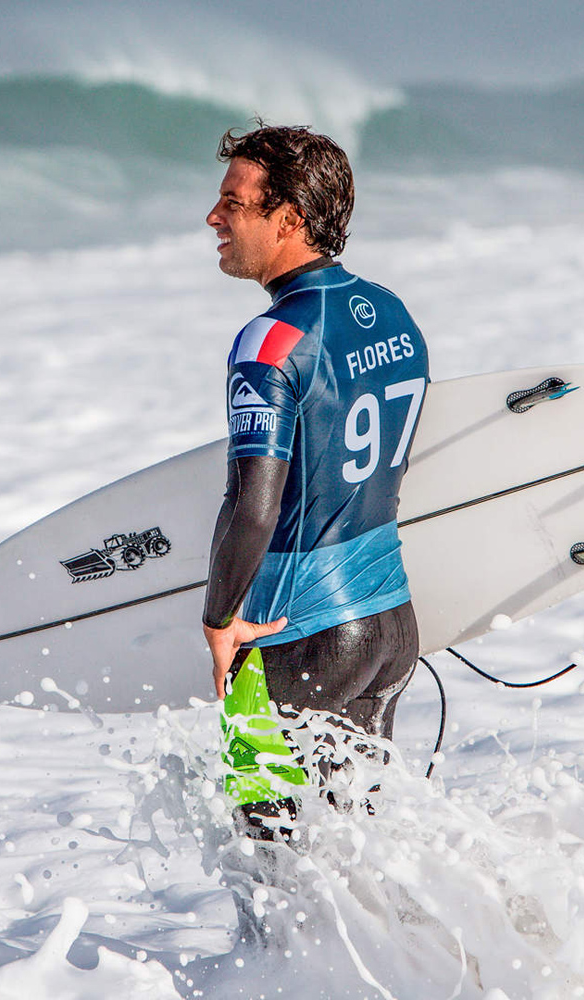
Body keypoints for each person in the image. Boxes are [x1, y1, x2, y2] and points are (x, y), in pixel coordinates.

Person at [201, 122, 429, 839]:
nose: (214, 217)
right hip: (391, 625)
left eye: (233, 203)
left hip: (298, 634)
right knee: (358, 854)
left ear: (289, 220)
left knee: (272, 862)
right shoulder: (394, 313)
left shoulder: (270, 343)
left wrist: (219, 619)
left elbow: (252, 504)